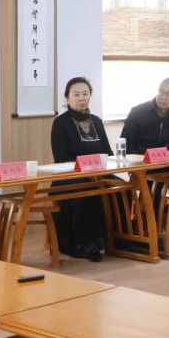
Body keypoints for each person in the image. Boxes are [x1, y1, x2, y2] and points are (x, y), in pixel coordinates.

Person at [50, 77, 115, 261]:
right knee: (88, 191)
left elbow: (108, 152)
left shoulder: (97, 121)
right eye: (76, 94)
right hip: (69, 177)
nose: (81, 98)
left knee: (121, 187)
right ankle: (84, 245)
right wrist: (86, 172)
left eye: (85, 94)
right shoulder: (61, 123)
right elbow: (61, 158)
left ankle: (117, 240)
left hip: (98, 174)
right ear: (67, 98)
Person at [122, 78, 169, 224]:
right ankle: (147, 228)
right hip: (143, 166)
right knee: (154, 192)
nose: (163, 97)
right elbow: (126, 143)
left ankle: (161, 223)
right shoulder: (138, 111)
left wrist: (164, 150)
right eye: (161, 92)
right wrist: (147, 153)